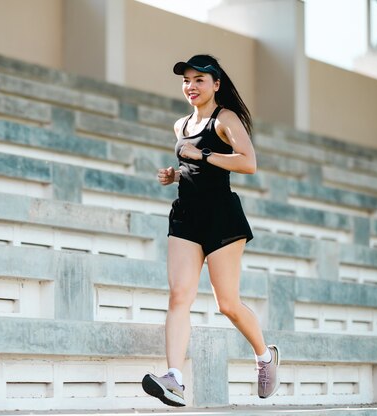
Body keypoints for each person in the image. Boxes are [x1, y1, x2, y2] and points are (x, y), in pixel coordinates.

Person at [141, 54, 280, 407]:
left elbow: (248, 162)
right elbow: (189, 161)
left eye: (199, 79)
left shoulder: (226, 118)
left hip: (222, 218)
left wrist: (201, 157)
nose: (191, 86)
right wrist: (174, 173)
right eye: (186, 80)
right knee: (178, 297)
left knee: (228, 304)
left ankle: (265, 357)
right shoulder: (180, 125)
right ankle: (174, 379)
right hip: (186, 216)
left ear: (216, 84)